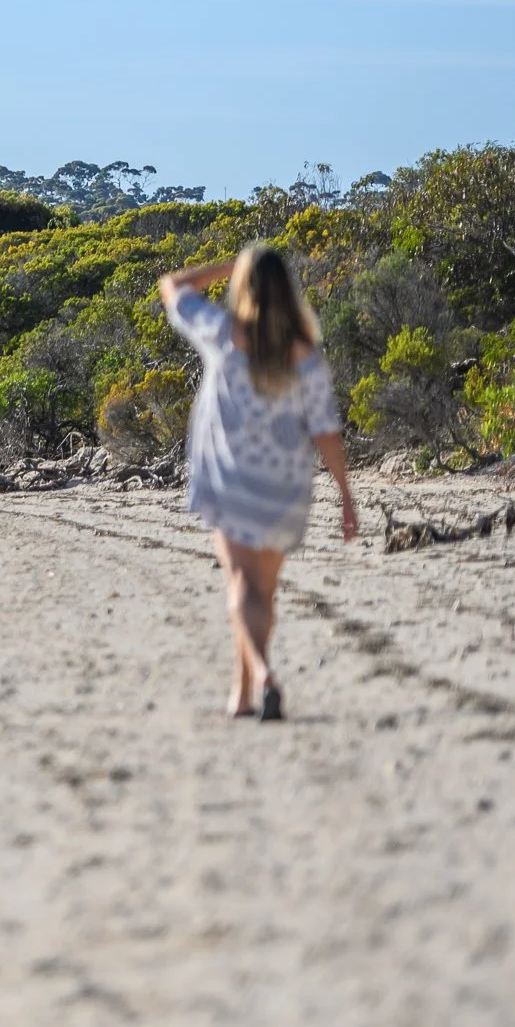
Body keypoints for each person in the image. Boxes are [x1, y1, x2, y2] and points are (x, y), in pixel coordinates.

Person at [157, 243, 356, 721]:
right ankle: (242, 695)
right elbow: (326, 431)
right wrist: (347, 496)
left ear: (243, 289)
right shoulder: (305, 355)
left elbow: (172, 286)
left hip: (233, 480)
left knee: (240, 584)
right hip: (285, 487)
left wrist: (232, 266)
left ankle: (264, 674)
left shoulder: (224, 335)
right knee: (261, 592)